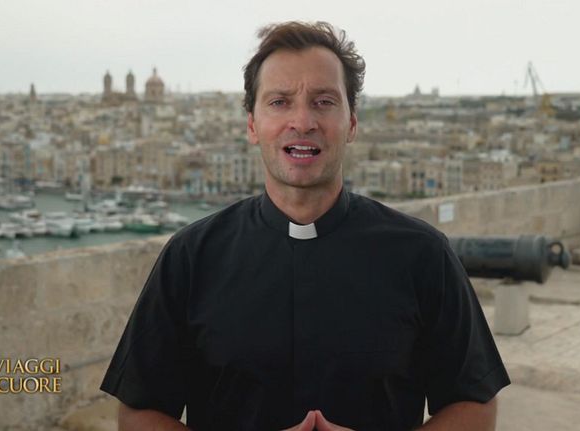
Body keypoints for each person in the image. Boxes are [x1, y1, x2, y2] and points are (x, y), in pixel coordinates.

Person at [100, 21, 509, 431]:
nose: (302, 120)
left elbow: (475, 405)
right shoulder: (191, 257)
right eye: (280, 102)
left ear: (352, 123)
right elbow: (138, 412)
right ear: (252, 125)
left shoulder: (422, 254)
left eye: (324, 101)